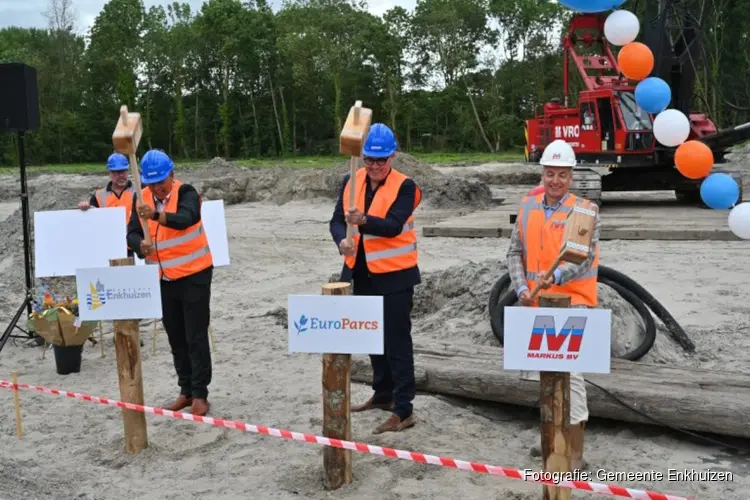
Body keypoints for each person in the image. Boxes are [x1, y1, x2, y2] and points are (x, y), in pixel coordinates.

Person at [505, 139, 601, 470]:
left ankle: (575, 452)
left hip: (572, 304)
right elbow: (515, 252)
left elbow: (583, 258)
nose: (555, 180)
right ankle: (551, 437)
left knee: (571, 376)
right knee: (545, 375)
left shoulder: (585, 211)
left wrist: (555, 277)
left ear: (571, 176)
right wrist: (520, 288)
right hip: (535, 304)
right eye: (550, 174)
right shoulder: (528, 206)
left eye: (562, 174)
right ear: (542, 174)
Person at [329, 123, 421, 434]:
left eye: (381, 160)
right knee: (371, 337)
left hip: (396, 276)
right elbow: (336, 221)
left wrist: (364, 221)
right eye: (369, 159)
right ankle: (382, 394)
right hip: (361, 271)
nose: (375, 166)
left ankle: (404, 408)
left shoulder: (406, 186)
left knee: (397, 341)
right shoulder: (350, 180)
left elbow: (394, 225)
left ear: (393, 157)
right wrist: (342, 238)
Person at [126, 149, 214, 417]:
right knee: (176, 336)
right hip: (163, 278)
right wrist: (139, 245)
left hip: (195, 274)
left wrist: (154, 215)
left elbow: (187, 219)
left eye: (161, 183)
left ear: (172, 175)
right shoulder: (140, 198)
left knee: (195, 336)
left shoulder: (186, 192)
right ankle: (185, 391)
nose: (157, 188)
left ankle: (200, 394)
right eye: (151, 184)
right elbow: (131, 232)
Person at [78, 152, 136, 256]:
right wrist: (86, 209)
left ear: (127, 171)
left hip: (134, 249)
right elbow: (92, 223)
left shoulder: (139, 193)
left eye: (123, 171)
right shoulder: (99, 196)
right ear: (110, 173)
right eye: (116, 172)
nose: (120, 175)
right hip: (109, 248)